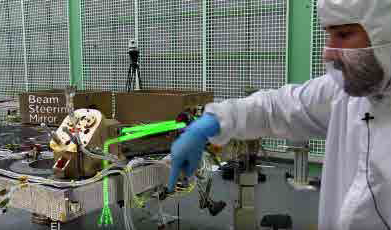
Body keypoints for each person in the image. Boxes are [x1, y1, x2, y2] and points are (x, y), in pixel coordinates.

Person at [168, 0, 391, 229]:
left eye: (344, 34)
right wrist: (214, 121)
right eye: (328, 34)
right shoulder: (345, 92)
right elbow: (276, 107)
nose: (328, 53)